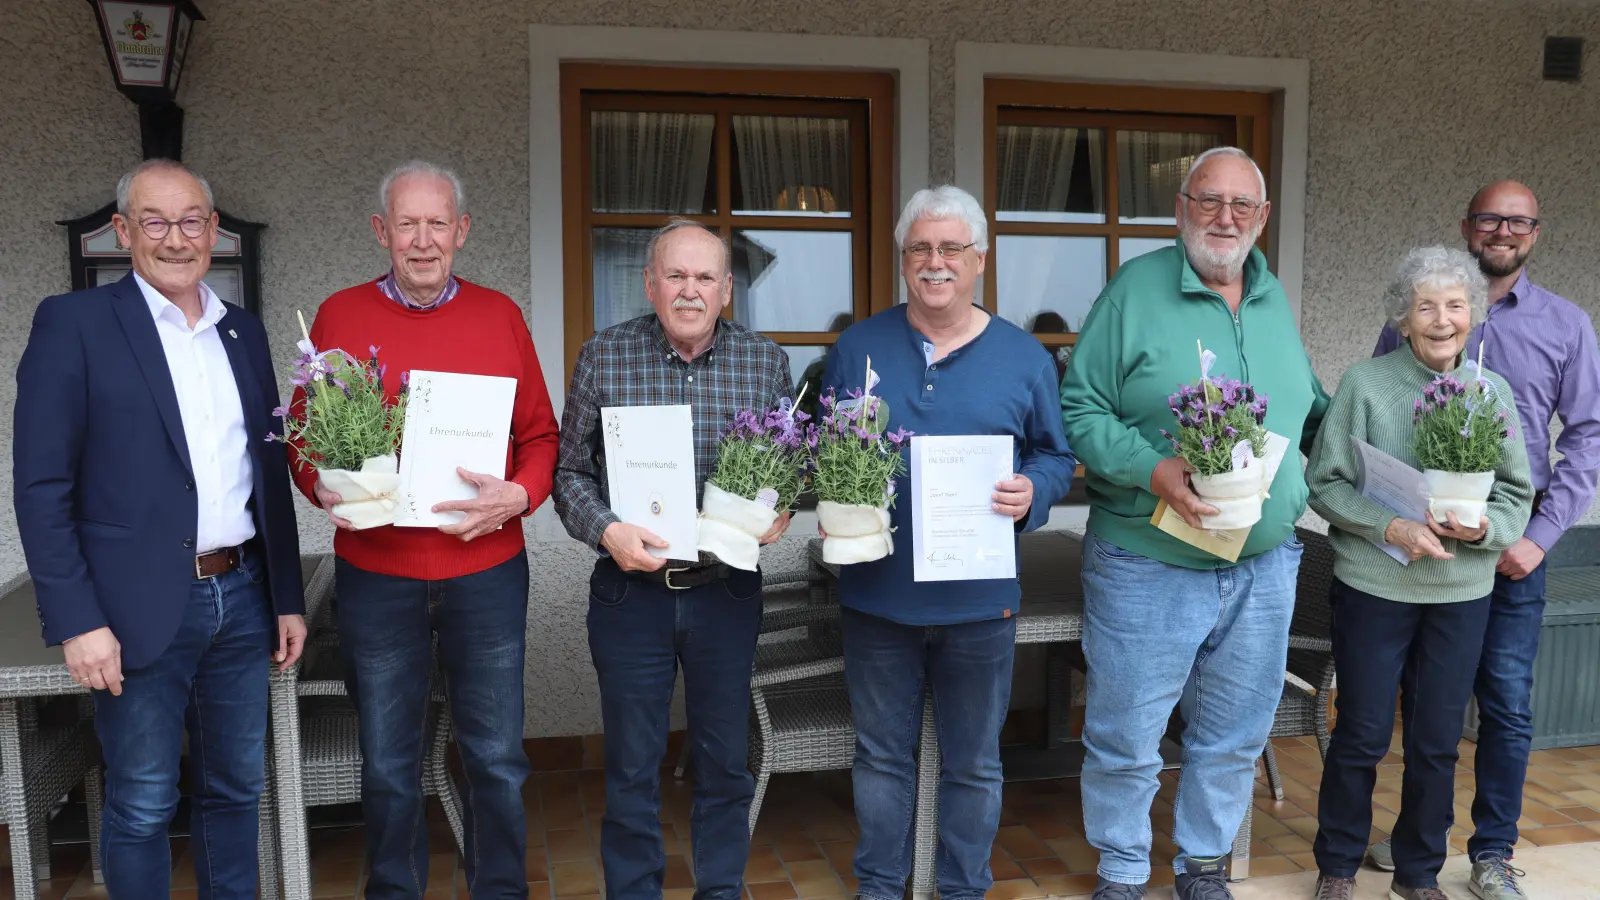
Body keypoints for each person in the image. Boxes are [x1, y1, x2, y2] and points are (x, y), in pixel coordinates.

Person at [13, 158, 306, 898]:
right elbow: (42, 486)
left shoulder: (243, 331)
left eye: (192, 221)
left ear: (214, 230)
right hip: (133, 608)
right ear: (122, 231)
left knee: (236, 789)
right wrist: (78, 621)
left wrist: (286, 596)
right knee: (143, 801)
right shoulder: (74, 324)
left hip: (241, 597)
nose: (176, 239)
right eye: (155, 221)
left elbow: (265, 472)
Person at [1059, 146, 1330, 900]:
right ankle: (1120, 869)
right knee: (1126, 736)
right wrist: (1155, 469)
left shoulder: (1274, 300)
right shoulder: (1132, 292)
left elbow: (1311, 410)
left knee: (1236, 734)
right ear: (1180, 208)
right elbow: (1079, 409)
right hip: (1149, 561)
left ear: (1263, 218)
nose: (1225, 218)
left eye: (1242, 206)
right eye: (1209, 201)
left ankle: (1203, 865)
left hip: (1263, 567)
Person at [293, 160, 560, 898]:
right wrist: (325, 487)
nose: (421, 240)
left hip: (487, 575)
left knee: (497, 759)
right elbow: (303, 440)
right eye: (406, 224)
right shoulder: (339, 317)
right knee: (386, 763)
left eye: (436, 223)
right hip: (378, 575)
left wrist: (521, 495)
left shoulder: (499, 314)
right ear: (382, 231)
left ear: (462, 231)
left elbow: (541, 437)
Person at [820, 185, 1077, 900]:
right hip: (878, 596)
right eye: (920, 250)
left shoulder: (1024, 358)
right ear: (903, 260)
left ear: (979, 260)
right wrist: (833, 496)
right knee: (880, 760)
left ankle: (962, 890)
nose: (935, 263)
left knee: (972, 765)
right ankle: (881, 889)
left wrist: (1034, 492)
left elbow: (1056, 456)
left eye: (951, 249)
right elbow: (827, 450)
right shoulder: (858, 347)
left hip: (979, 600)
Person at [1365, 182, 1600, 900]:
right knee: (1422, 705)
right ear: (1467, 225)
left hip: (1510, 555)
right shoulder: (1415, 315)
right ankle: (1415, 846)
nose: (1504, 230)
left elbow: (1587, 438)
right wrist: (1397, 523)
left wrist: (1538, 537)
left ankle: (1493, 851)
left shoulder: (1566, 325)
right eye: (1491, 218)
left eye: (1518, 221)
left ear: (1534, 232)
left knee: (1504, 705)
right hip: (1426, 555)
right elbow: (1383, 417)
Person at [553, 218, 792, 900]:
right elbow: (568, 473)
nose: (691, 290)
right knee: (631, 767)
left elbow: (786, 470)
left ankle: (721, 890)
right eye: (677, 276)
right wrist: (606, 531)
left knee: (724, 762)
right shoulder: (604, 356)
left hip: (726, 594)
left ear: (726, 292)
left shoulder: (765, 363)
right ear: (651, 284)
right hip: (633, 594)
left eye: (706, 277)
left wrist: (782, 508)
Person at [1307, 246, 1534, 900]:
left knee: (1436, 742)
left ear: (1475, 316)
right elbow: (1324, 485)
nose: (1441, 319)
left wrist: (1484, 528)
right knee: (1362, 734)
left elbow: (1515, 495)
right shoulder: (1365, 385)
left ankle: (1417, 873)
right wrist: (1391, 527)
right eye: (1425, 306)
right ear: (1402, 320)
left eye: (1455, 305)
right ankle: (1340, 864)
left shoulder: (1491, 394)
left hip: (1461, 592)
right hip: (1376, 588)